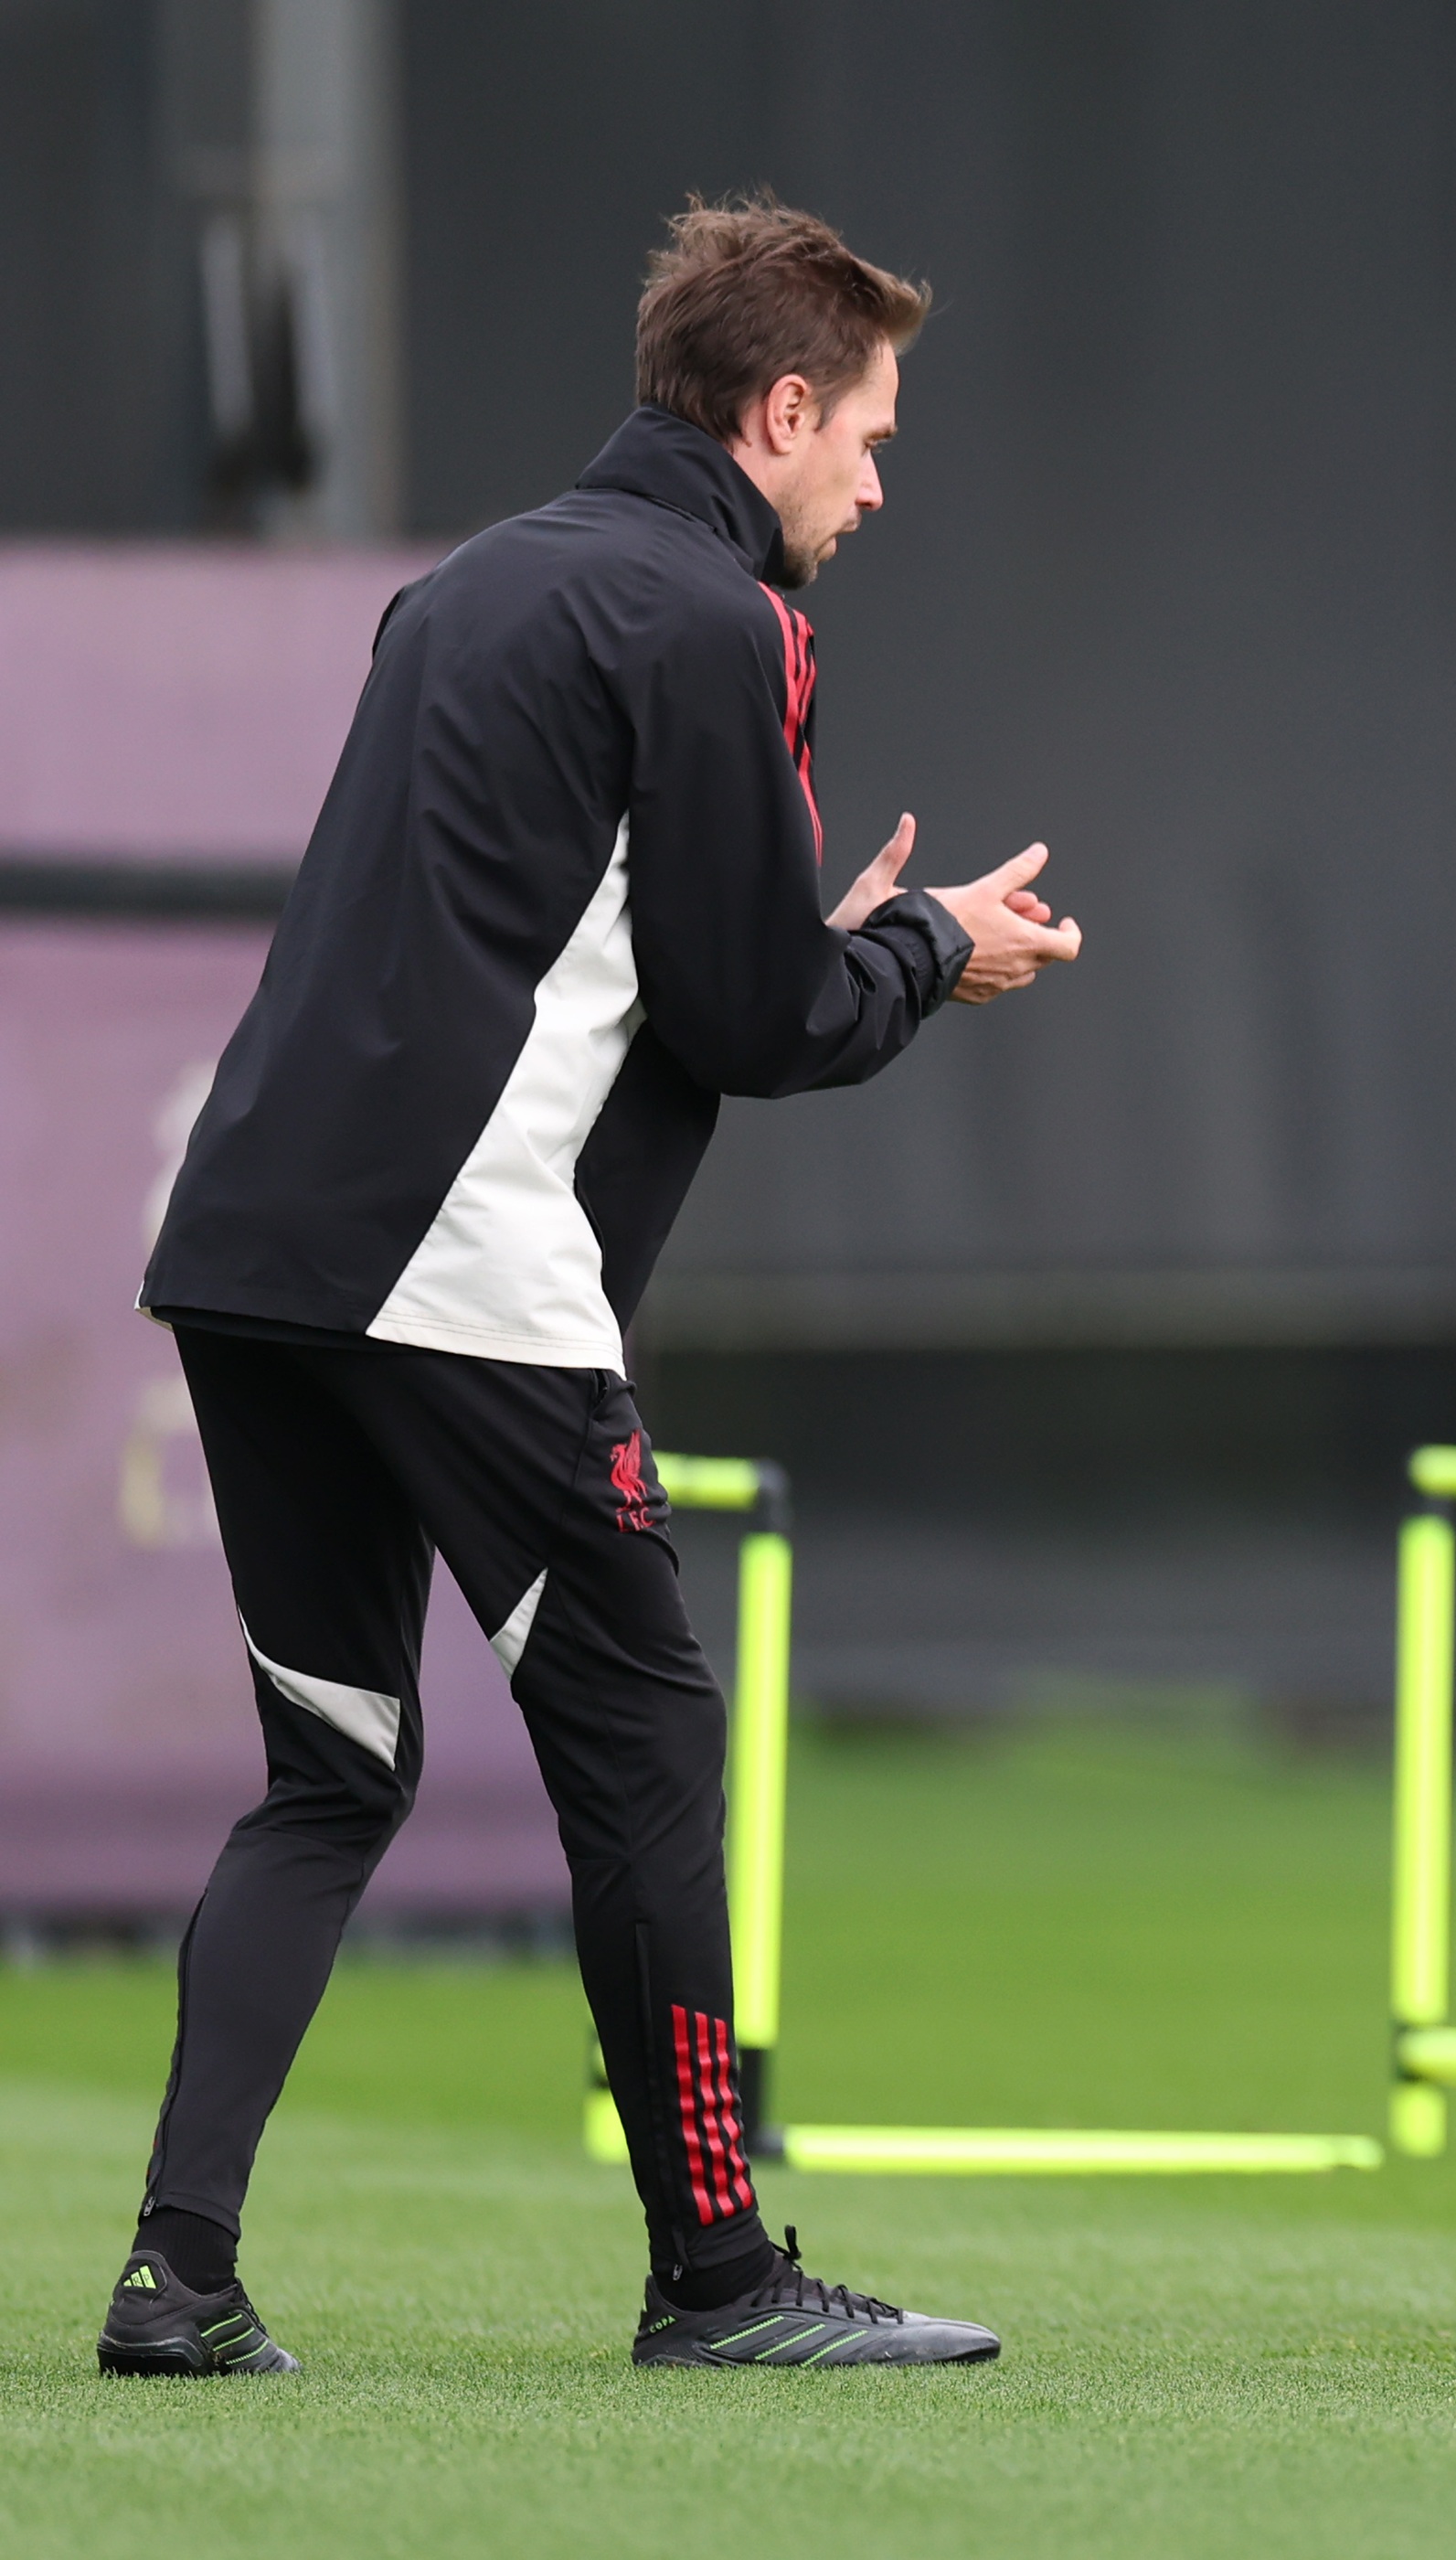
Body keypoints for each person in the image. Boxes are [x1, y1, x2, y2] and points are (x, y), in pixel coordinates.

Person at [103, 197, 1077, 2378]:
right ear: (781, 410)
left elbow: (579, 947)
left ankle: (176, 2273)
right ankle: (718, 2278)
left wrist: (822, 943)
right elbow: (755, 1018)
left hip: (249, 1248)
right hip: (453, 1261)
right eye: (871, 435)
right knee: (645, 1732)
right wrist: (927, 950)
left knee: (329, 1772)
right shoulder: (724, 620)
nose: (878, 485)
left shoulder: (466, 585)